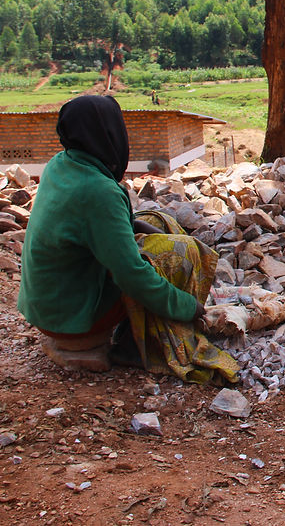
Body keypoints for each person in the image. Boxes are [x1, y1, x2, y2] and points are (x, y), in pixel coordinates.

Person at [17, 95, 239, 384]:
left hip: (51, 304)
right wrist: (188, 307)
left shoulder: (62, 164)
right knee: (178, 253)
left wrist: (145, 227)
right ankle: (138, 345)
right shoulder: (99, 192)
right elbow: (132, 275)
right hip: (73, 319)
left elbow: (93, 223)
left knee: (159, 221)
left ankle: (140, 324)